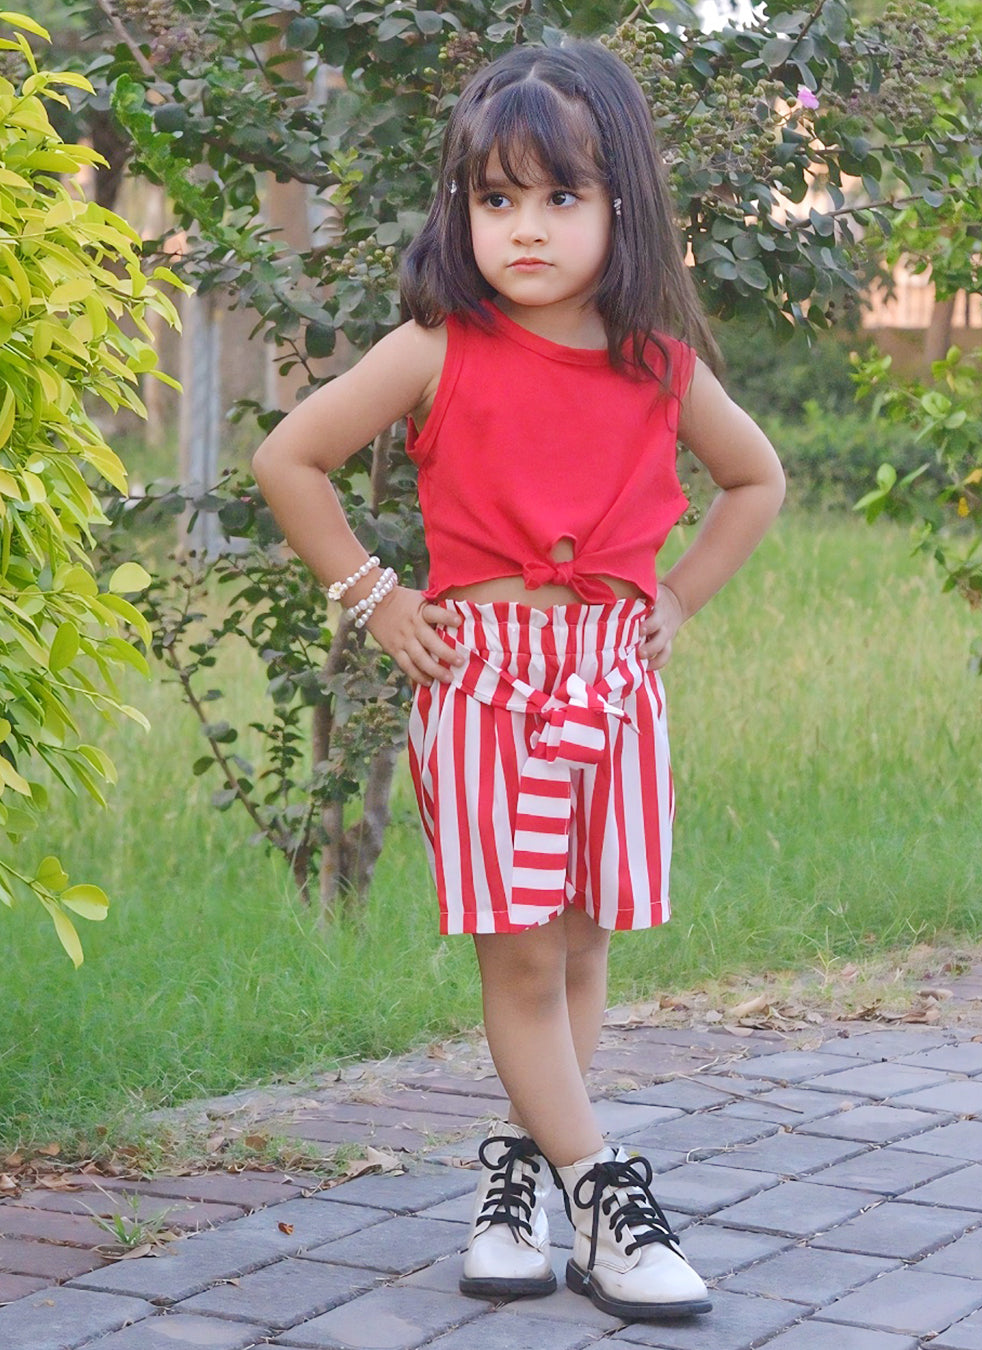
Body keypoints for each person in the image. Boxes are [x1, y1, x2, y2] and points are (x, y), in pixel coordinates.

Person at [252, 40, 785, 1322]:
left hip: (613, 690)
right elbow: (290, 459)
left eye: (560, 196)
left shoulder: (656, 361)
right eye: (497, 199)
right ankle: (604, 1195)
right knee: (526, 961)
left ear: (622, 203)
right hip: (488, 689)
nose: (527, 228)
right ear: (463, 207)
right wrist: (375, 598)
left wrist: (677, 597)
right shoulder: (439, 346)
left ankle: (518, 1180)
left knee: (582, 942)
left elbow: (755, 478)